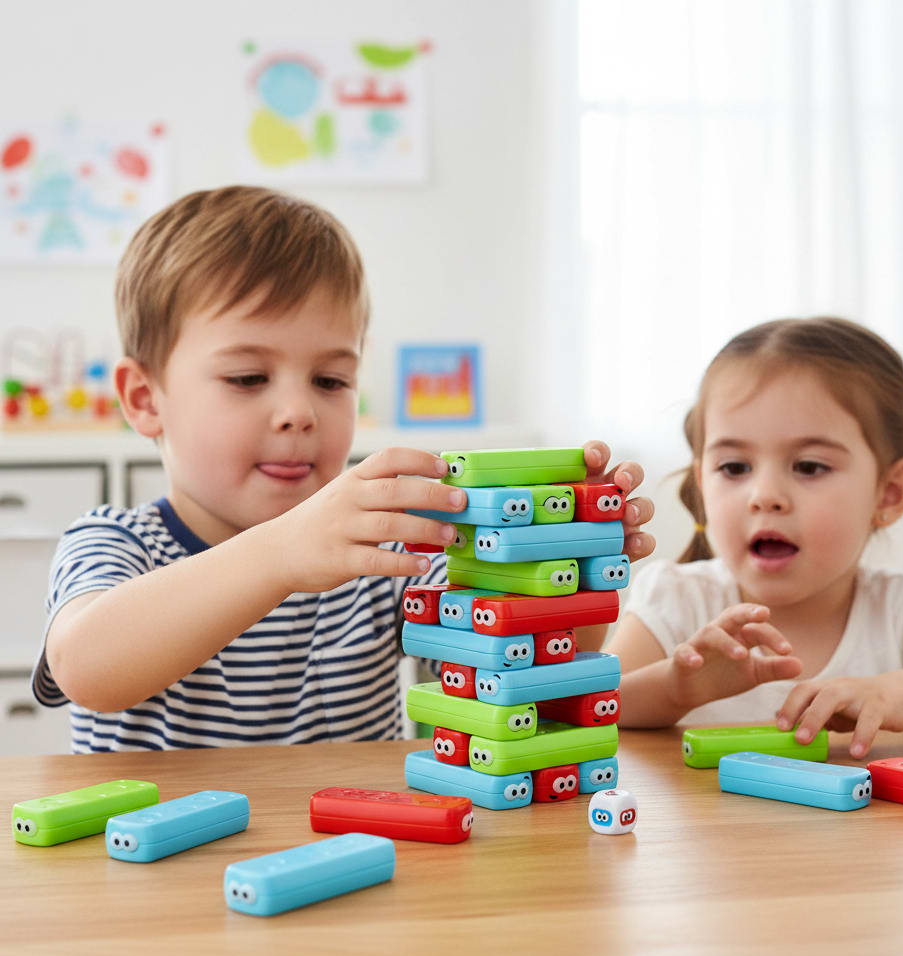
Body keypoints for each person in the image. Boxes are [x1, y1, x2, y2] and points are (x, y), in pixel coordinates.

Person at [34, 185, 654, 752]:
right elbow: (86, 670)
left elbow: (523, 677)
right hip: (156, 867)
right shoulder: (114, 543)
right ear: (145, 399)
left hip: (357, 859)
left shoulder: (391, 548)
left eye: (331, 380)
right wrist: (280, 554)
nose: (300, 412)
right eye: (248, 377)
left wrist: (567, 570)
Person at [609, 315, 903, 757]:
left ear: (889, 492)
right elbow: (579, 707)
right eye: (734, 467)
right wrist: (675, 687)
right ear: (701, 484)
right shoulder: (677, 601)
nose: (764, 496)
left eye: (809, 466)